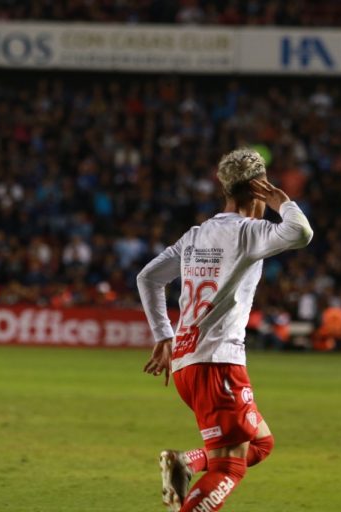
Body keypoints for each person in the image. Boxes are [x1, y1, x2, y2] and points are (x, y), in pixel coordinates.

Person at [137, 148, 313, 511]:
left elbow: (149, 277)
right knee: (230, 466)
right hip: (218, 366)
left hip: (187, 362)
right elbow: (300, 233)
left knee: (260, 444)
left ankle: (185, 463)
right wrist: (283, 201)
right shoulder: (249, 232)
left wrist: (164, 335)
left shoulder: (197, 235)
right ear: (258, 188)